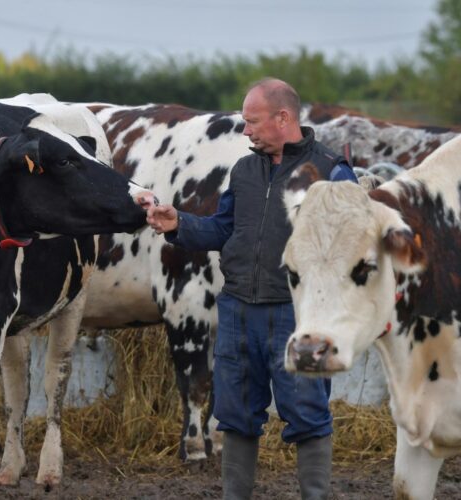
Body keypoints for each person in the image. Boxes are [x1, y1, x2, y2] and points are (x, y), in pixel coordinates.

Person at [142, 78, 357, 500]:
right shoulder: (243, 171)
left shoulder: (332, 172)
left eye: (252, 122)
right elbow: (224, 229)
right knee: (236, 415)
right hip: (238, 311)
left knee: (309, 413)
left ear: (283, 118)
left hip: (300, 319)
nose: (245, 131)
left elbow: (353, 246)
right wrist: (179, 224)